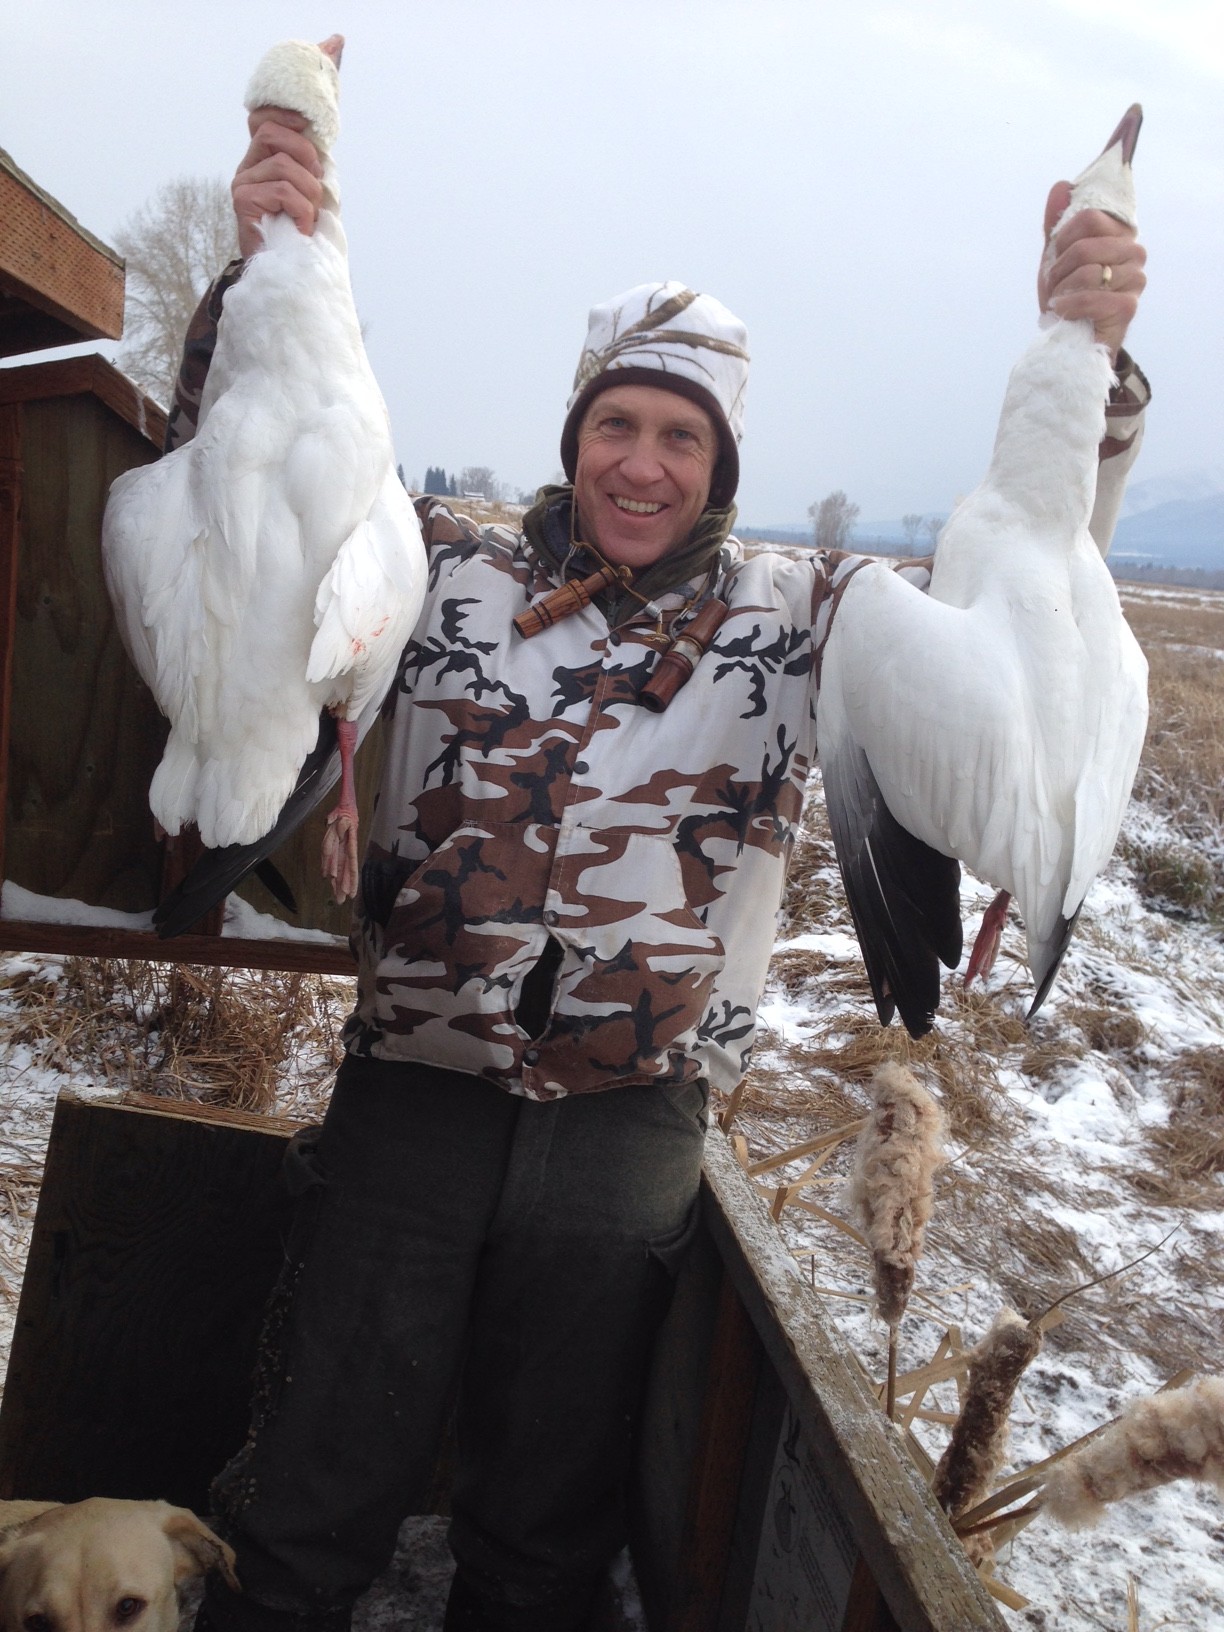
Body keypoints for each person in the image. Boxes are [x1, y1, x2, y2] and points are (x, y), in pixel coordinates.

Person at [183, 93, 1149, 1632]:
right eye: (617, 427)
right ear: (575, 436)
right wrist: (265, 272)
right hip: (416, 1090)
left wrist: (1083, 383)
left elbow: (1019, 646)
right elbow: (241, 502)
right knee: (319, 1470)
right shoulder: (435, 563)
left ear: (723, 462)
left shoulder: (811, 613)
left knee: (546, 1513)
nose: (643, 466)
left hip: (628, 1123)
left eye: (680, 436)